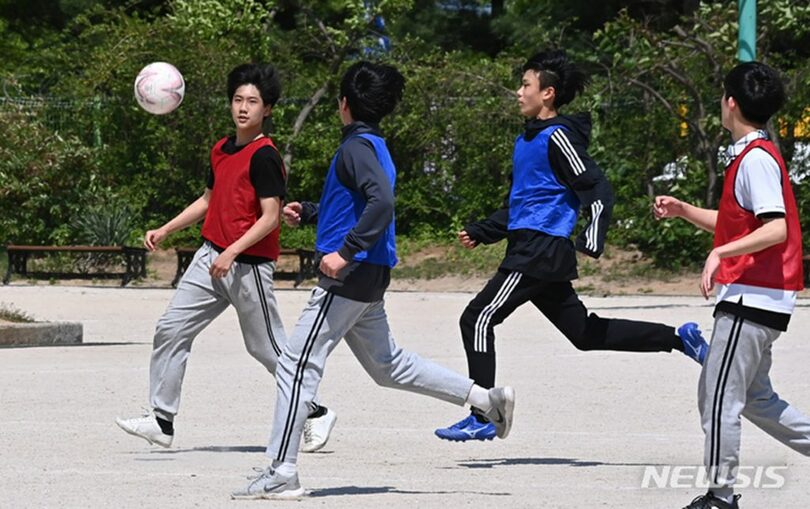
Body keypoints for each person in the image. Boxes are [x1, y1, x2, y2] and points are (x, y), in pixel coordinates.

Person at [231, 61, 515, 500]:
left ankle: (281, 471)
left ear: (344, 104)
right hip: (370, 273)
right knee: (389, 365)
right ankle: (485, 399)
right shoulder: (374, 145)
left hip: (349, 274)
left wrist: (345, 252)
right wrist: (312, 211)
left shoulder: (354, 148)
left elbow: (380, 203)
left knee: (295, 365)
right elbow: (360, 202)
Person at [434, 48, 708, 442]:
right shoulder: (525, 140)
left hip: (539, 250)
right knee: (584, 334)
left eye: (525, 85)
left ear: (547, 93)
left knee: (476, 318)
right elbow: (522, 203)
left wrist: (591, 237)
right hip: (531, 247)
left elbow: (596, 188)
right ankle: (679, 338)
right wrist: (484, 230)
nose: (518, 92)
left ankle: (483, 415)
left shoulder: (558, 136)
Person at [115, 63, 336, 453]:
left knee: (267, 349)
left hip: (247, 267)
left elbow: (270, 217)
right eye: (238, 99)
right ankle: (162, 420)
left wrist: (233, 251)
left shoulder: (265, 156)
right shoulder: (221, 148)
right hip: (210, 258)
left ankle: (316, 411)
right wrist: (166, 229)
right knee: (171, 329)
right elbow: (208, 200)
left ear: (267, 109)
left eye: (252, 101)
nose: (243, 108)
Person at [654, 61, 810, 509]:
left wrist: (720, 253)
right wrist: (685, 210)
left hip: (751, 297)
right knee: (757, 400)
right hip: (761, 298)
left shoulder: (755, 159)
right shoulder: (752, 154)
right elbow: (739, 224)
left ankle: (720, 498)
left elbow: (776, 228)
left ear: (731, 103)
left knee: (718, 397)